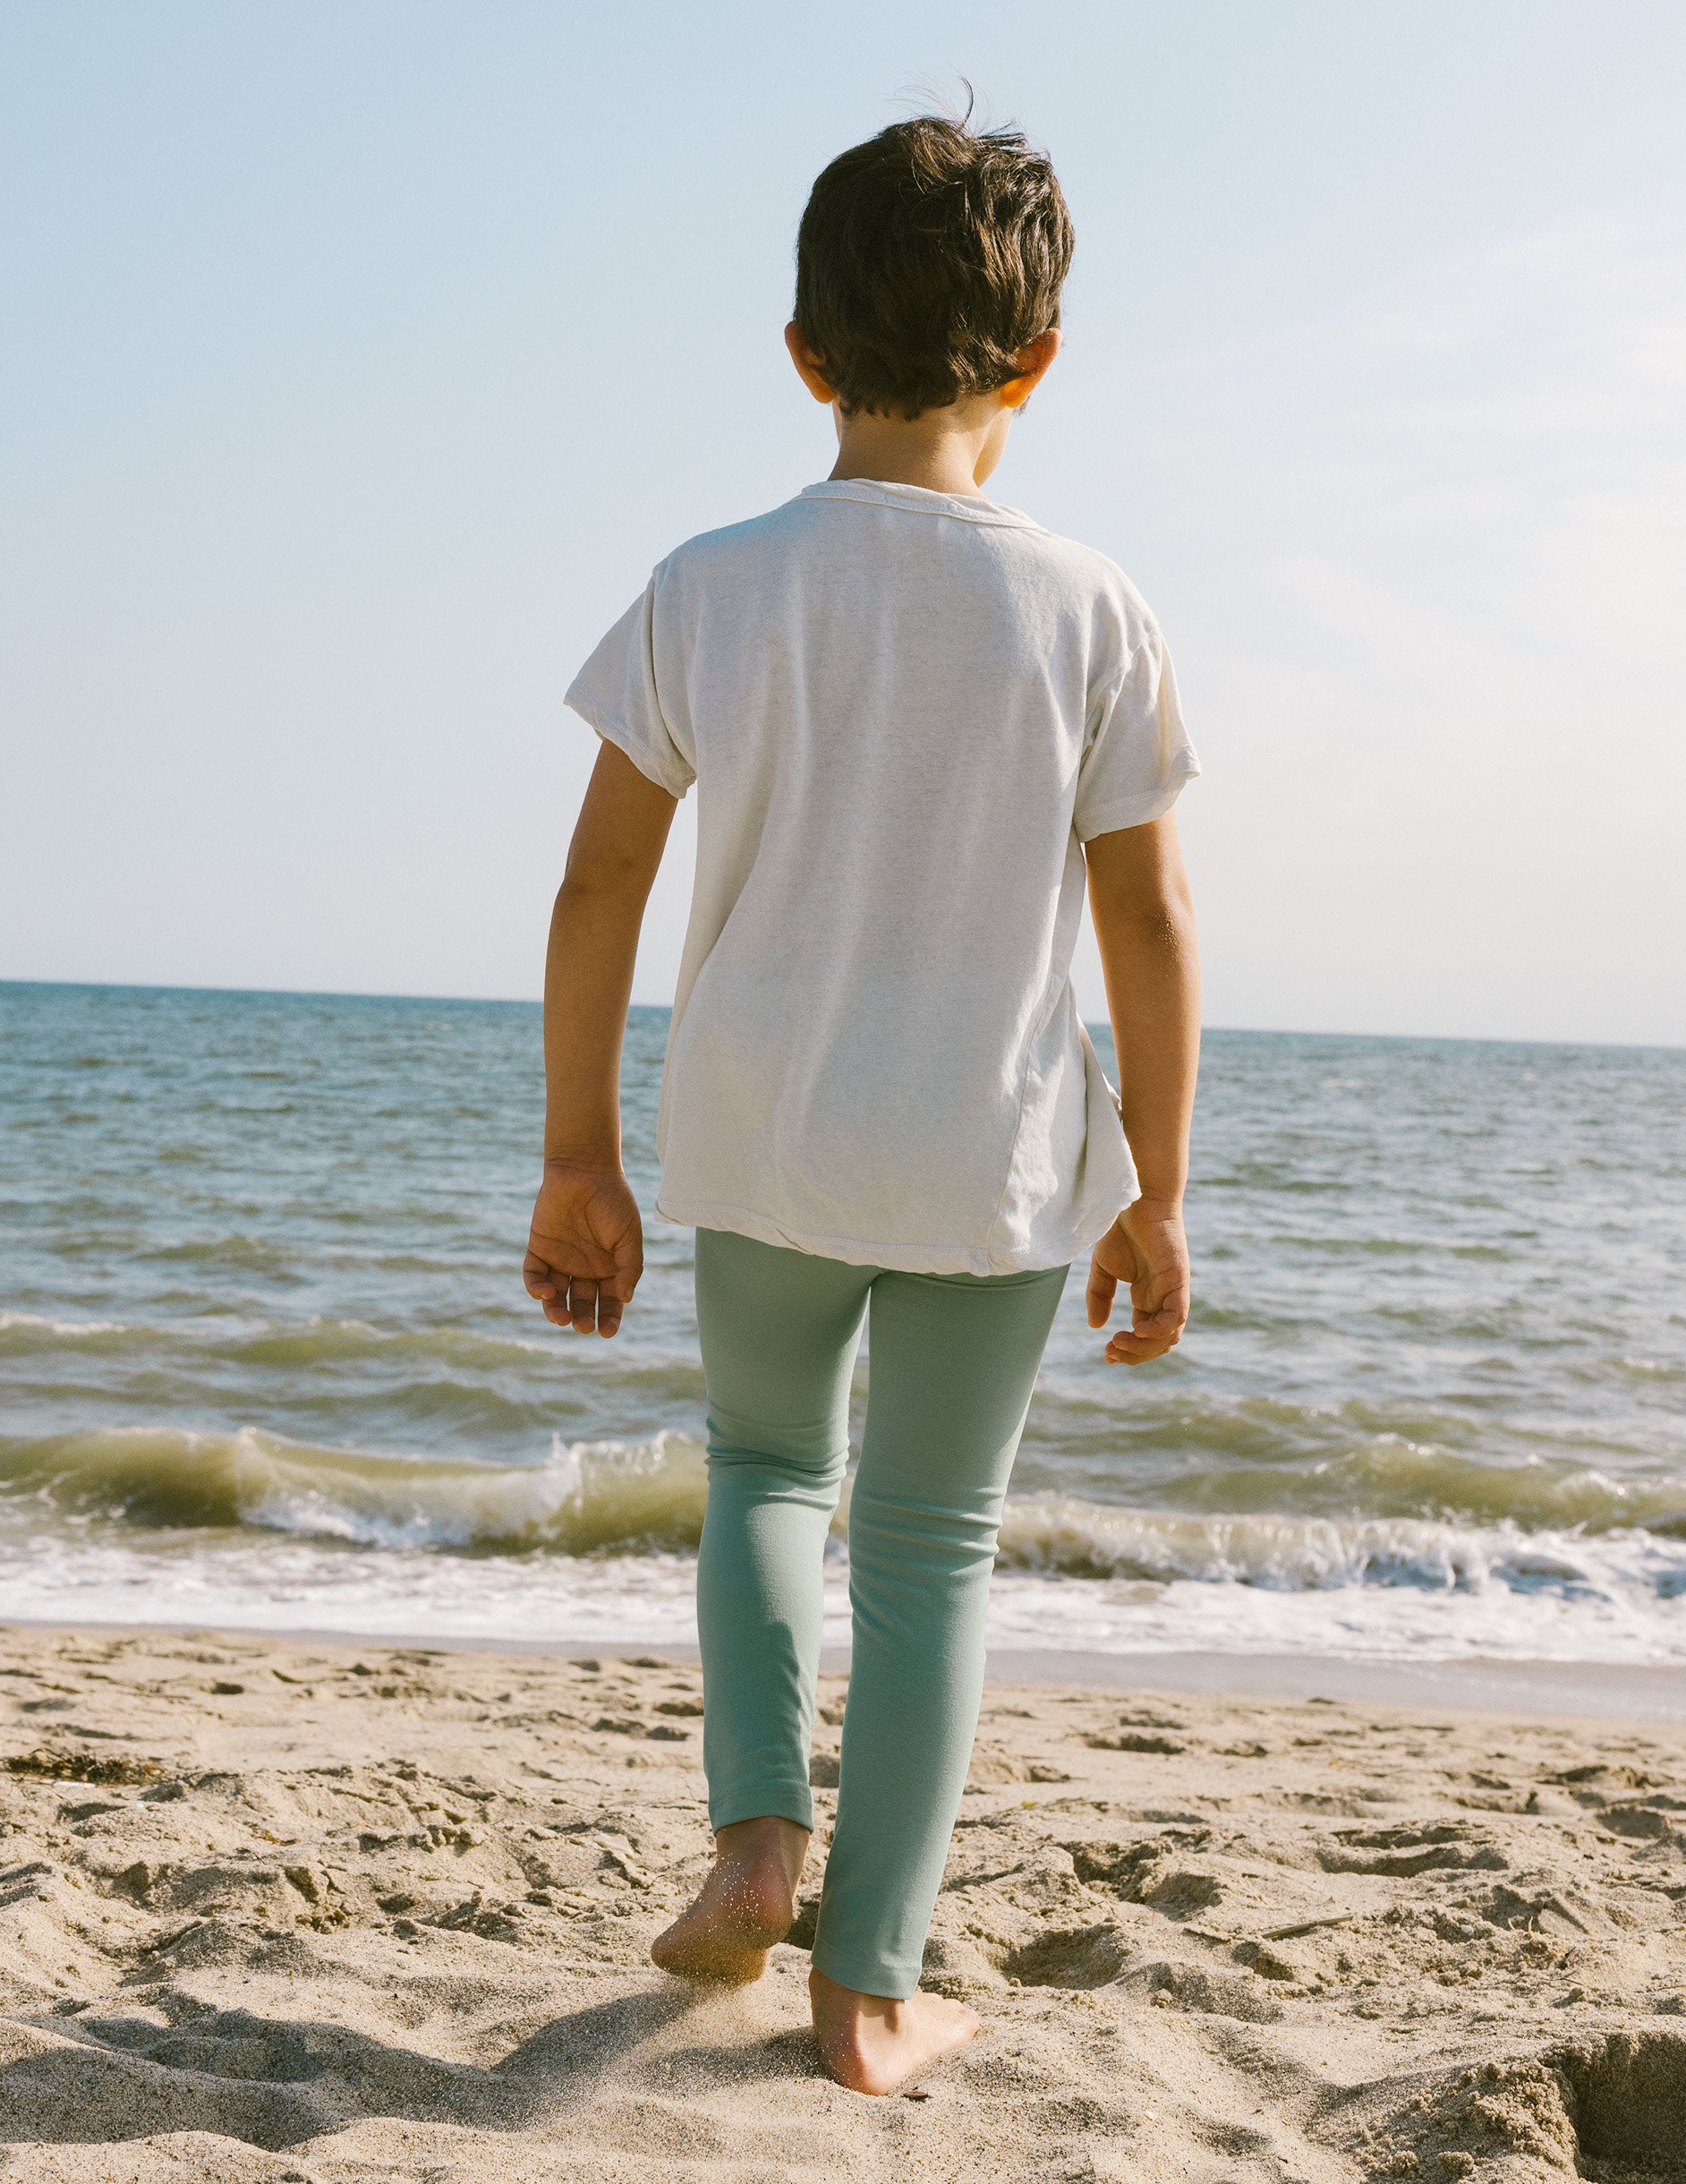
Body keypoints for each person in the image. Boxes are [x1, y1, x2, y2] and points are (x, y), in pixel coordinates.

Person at [522, 111, 1201, 2096]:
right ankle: (871, 1982)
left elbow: (596, 885)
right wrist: (1158, 1186)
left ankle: (756, 1834)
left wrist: (580, 1153)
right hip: (987, 1155)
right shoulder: (1093, 607)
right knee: (929, 1543)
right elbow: (1147, 920)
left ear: (804, 352)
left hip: (764, 1123)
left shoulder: (715, 585)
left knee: (762, 1472)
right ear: (1039, 363)